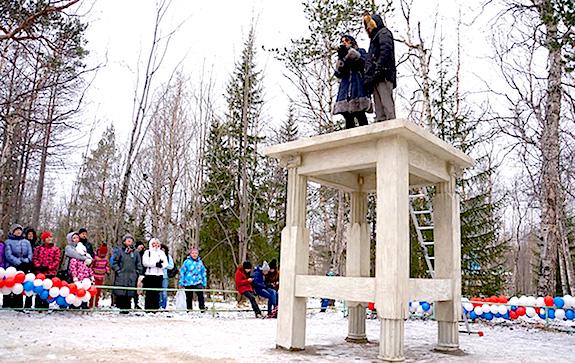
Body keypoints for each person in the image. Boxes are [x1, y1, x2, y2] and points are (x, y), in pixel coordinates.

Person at [363, 13, 397, 122]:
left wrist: (379, 68)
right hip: (375, 77)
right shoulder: (374, 39)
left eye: (368, 24)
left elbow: (385, 52)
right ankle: (381, 127)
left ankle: (391, 127)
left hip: (383, 75)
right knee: (379, 108)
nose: (367, 27)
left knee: (387, 105)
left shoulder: (383, 33)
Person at [333, 34, 371, 129]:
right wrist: (341, 59)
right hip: (345, 89)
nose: (344, 42)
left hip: (358, 87)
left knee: (360, 115)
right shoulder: (342, 55)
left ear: (352, 41)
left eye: (346, 40)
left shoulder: (360, 51)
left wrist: (350, 53)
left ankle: (367, 138)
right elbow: (338, 73)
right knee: (347, 117)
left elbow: (364, 63)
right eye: (342, 41)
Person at [111, 234, 143, 311]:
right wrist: (118, 270)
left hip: (132, 275)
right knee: (121, 291)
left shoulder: (135, 252)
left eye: (131, 240)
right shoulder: (119, 251)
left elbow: (138, 263)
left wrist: (137, 272)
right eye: (128, 239)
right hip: (121, 275)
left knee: (130, 292)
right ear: (124, 241)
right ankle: (120, 307)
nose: (129, 241)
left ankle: (127, 308)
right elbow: (114, 262)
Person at [3, 224, 33, 308]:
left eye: (20, 230)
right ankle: (7, 303)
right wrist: (18, 262)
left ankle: (18, 304)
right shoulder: (8, 242)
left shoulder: (26, 241)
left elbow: (30, 253)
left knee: (19, 285)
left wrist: (27, 260)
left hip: (24, 265)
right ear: (12, 232)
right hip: (12, 266)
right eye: (16, 230)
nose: (18, 232)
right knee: (10, 283)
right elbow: (8, 254)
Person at [32, 231, 61, 309]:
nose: (49, 239)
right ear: (44, 238)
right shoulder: (38, 248)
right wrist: (39, 266)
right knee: (39, 289)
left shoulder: (56, 249)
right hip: (40, 272)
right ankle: (37, 305)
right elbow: (35, 258)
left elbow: (56, 260)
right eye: (47, 237)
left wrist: (49, 267)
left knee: (47, 290)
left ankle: (45, 305)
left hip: (50, 272)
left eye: (51, 237)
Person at [142, 238, 168, 311]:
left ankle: (156, 308)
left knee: (157, 292)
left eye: (157, 243)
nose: (155, 245)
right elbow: (145, 262)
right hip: (149, 274)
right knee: (149, 292)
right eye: (154, 243)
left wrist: (161, 265)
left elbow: (166, 263)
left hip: (159, 274)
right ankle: (148, 308)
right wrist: (155, 264)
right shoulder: (147, 252)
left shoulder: (161, 253)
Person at [178, 247, 206, 311]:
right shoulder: (187, 262)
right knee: (189, 296)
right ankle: (189, 309)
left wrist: (204, 282)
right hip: (188, 281)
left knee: (200, 294)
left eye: (196, 253)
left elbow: (203, 272)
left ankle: (202, 308)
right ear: (190, 254)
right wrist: (181, 282)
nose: (194, 255)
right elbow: (182, 272)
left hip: (198, 281)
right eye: (193, 253)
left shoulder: (200, 262)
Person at [159, 244, 174, 309]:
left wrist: (164, 265)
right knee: (158, 292)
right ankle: (158, 305)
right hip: (157, 275)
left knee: (164, 292)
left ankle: (164, 306)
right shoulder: (157, 256)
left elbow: (171, 266)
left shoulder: (168, 257)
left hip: (165, 276)